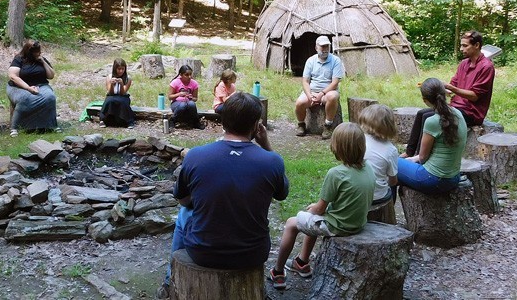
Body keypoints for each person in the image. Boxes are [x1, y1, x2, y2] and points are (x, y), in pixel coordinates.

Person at [158, 92, 288, 297]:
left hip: (203, 253)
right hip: (252, 254)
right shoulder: (272, 161)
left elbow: (182, 199)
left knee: (185, 213)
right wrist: (267, 147)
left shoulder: (196, 155)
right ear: (256, 126)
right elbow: (281, 195)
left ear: (222, 121)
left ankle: (168, 281)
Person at [269, 122, 374, 289]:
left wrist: (312, 208)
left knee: (291, 223)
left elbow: (320, 209)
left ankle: (278, 271)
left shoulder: (337, 173)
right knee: (312, 221)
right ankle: (302, 262)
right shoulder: (368, 168)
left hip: (339, 226)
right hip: (357, 223)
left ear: (337, 147)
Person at [403, 30, 494, 157]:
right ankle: (409, 152)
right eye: (461, 45)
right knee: (421, 113)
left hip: (471, 113)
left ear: (477, 45)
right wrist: (440, 89)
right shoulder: (464, 64)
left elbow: (474, 96)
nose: (462, 49)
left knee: (429, 118)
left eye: (465, 46)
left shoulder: (486, 67)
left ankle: (420, 156)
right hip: (455, 107)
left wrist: (452, 88)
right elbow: (453, 86)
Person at [397, 78, 467, 194]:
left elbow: (423, 158)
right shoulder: (458, 113)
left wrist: (411, 160)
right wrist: (413, 159)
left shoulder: (433, 121)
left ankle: (387, 203)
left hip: (434, 180)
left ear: (425, 100)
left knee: (392, 164)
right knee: (400, 167)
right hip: (454, 177)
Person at [295, 36, 345, 140]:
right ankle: (301, 125)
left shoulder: (335, 60)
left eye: (327, 46)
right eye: (322, 47)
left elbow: (335, 82)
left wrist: (321, 94)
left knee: (333, 97)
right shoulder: (310, 61)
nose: (325, 49)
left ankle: (328, 125)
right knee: (299, 102)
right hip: (312, 92)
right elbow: (305, 81)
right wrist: (309, 95)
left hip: (327, 92)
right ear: (316, 47)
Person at [7, 39, 58, 136]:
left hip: (41, 85)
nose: (38, 53)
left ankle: (49, 125)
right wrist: (28, 88)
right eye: (35, 52)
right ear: (29, 51)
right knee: (25, 98)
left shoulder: (41, 60)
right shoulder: (19, 59)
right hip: (18, 87)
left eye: (39, 51)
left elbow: (51, 76)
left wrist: (43, 61)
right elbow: (13, 76)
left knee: (50, 97)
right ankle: (15, 127)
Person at [358, 104, 399, 204]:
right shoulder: (391, 150)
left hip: (355, 192)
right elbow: (393, 181)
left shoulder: (358, 139)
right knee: (392, 188)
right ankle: (390, 210)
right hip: (376, 197)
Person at [99, 58, 135, 128]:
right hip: (112, 95)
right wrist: (112, 84)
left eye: (122, 69)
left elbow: (123, 93)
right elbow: (110, 92)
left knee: (123, 102)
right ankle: (103, 120)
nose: (121, 71)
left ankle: (128, 121)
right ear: (115, 68)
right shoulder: (109, 77)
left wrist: (121, 84)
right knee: (109, 101)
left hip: (123, 96)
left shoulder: (128, 79)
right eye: (119, 69)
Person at [168, 65, 204, 129]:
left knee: (192, 104)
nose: (189, 77)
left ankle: (196, 122)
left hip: (188, 102)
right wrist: (179, 94)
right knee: (183, 105)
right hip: (177, 103)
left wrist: (191, 98)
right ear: (181, 75)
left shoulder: (194, 83)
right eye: (186, 75)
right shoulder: (175, 82)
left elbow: (195, 99)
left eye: (190, 74)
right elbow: (170, 97)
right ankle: (172, 120)